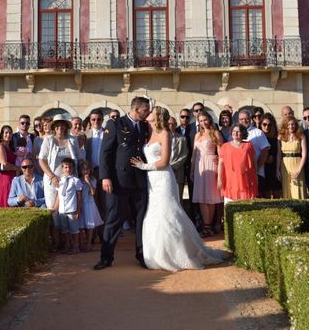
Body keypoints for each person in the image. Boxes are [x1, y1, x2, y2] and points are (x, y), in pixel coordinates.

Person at [130, 106, 227, 271]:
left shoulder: (165, 134)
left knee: (169, 213)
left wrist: (142, 165)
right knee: (154, 214)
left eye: (151, 112)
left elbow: (165, 161)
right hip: (151, 180)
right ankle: (156, 254)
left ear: (158, 116)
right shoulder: (149, 133)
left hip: (163, 178)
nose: (148, 113)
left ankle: (179, 253)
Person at [94, 96, 150, 270]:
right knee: (114, 219)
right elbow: (105, 153)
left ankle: (142, 255)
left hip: (139, 180)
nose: (147, 113)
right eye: (145, 110)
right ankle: (106, 257)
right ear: (136, 109)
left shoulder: (143, 126)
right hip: (118, 181)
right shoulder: (116, 124)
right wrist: (105, 177)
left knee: (141, 220)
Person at [39, 115, 84, 251]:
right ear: (54, 127)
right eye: (57, 125)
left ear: (65, 126)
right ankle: (57, 242)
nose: (59, 128)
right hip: (52, 182)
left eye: (62, 125)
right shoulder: (48, 140)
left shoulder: (72, 140)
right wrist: (52, 176)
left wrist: (85, 175)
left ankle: (70, 243)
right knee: (55, 211)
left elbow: (80, 159)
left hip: (69, 182)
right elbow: (42, 160)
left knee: (70, 210)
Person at [191, 111, 224, 237]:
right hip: (199, 166)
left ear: (209, 119)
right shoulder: (197, 135)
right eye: (200, 120)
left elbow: (221, 154)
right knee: (201, 198)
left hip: (211, 164)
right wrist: (192, 170)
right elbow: (194, 154)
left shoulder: (215, 133)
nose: (203, 122)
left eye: (205, 120)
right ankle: (207, 225)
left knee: (210, 197)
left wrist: (219, 171)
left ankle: (208, 227)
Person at [217, 123, 258, 202]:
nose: (235, 133)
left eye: (238, 131)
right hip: (230, 179)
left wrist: (256, 176)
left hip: (246, 179)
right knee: (230, 204)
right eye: (233, 131)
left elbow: (254, 162)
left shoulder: (249, 145)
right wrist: (219, 179)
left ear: (243, 133)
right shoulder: (225, 146)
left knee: (246, 204)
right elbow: (220, 163)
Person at [52, 157, 83, 254]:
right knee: (65, 230)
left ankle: (76, 246)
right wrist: (54, 208)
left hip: (72, 209)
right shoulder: (60, 181)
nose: (68, 169)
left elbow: (79, 196)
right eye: (66, 167)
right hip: (62, 210)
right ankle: (67, 246)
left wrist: (78, 210)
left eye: (70, 167)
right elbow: (58, 197)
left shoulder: (75, 180)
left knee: (74, 230)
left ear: (73, 168)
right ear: (62, 168)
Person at [238, 109, 270, 195]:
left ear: (250, 119)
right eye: (241, 119)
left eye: (246, 118)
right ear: (238, 120)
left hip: (257, 173)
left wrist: (257, 168)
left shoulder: (258, 133)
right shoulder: (235, 134)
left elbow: (264, 153)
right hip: (241, 175)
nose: (244, 121)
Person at [174, 107, 198, 223]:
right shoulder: (175, 130)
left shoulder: (195, 129)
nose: (185, 119)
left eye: (187, 117)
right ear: (179, 117)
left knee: (193, 192)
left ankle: (194, 218)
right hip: (178, 167)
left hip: (192, 164)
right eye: (182, 117)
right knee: (177, 193)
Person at [278, 116, 308, 200]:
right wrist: (278, 170)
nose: (291, 126)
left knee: (298, 189)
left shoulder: (301, 136)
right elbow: (279, 155)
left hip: (297, 165)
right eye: (288, 124)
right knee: (287, 189)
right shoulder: (280, 137)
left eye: (293, 124)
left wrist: (299, 170)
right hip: (285, 167)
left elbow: (304, 155)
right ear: (285, 125)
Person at [79, 159, 103, 252]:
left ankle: (89, 244)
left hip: (89, 204)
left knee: (89, 226)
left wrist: (88, 182)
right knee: (81, 226)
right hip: (81, 204)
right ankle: (81, 244)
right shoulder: (78, 180)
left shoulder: (93, 180)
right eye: (84, 169)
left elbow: (93, 193)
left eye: (87, 169)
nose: (86, 171)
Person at [259, 114, 282, 199]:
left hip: (274, 167)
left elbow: (279, 154)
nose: (267, 127)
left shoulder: (276, 137)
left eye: (269, 125)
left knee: (277, 193)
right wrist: (265, 159)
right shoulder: (258, 137)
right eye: (264, 124)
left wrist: (278, 170)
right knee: (266, 194)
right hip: (263, 168)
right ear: (261, 124)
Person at [0, 125, 19, 207]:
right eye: (6, 132)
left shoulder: (11, 147)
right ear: (2, 134)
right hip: (7, 178)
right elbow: (5, 165)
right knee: (8, 201)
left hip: (15, 177)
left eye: (10, 133)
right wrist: (19, 169)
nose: (8, 135)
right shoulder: (0, 147)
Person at [168, 116, 189, 199]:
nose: (171, 126)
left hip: (178, 171)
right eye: (169, 123)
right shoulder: (160, 137)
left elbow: (184, 154)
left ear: (176, 125)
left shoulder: (182, 138)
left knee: (178, 197)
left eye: (173, 124)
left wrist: (173, 166)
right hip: (165, 170)